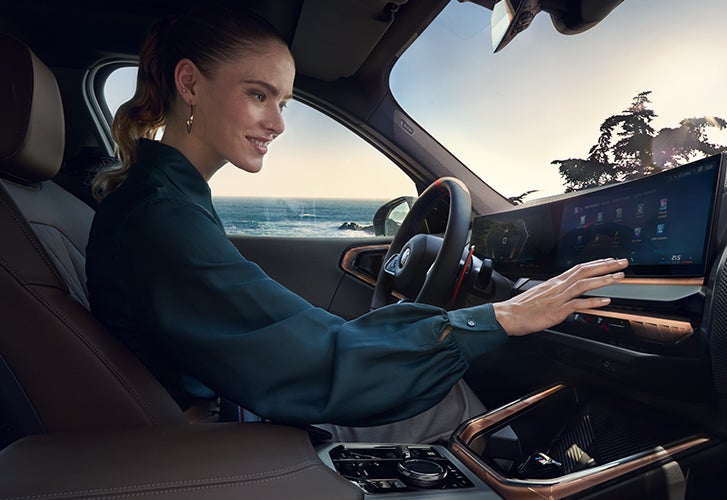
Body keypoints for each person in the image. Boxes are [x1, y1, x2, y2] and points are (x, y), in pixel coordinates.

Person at [86, 5, 628, 443]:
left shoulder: (164, 202)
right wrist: (499, 317)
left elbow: (293, 335)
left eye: (284, 103)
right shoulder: (161, 219)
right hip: (208, 434)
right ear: (190, 83)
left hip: (225, 405)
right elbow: (315, 359)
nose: (276, 123)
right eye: (258, 95)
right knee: (453, 405)